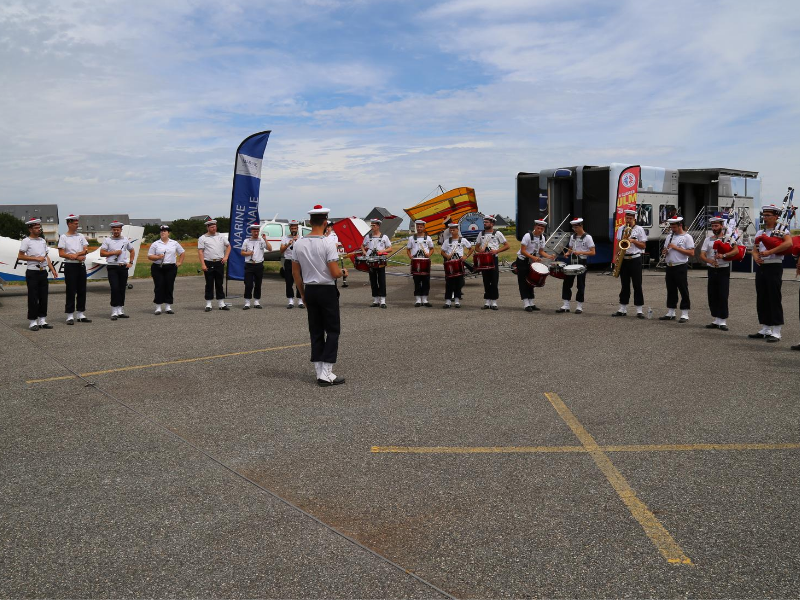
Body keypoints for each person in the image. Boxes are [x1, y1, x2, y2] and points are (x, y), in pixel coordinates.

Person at [292, 204, 347, 386]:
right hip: (326, 290)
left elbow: (295, 273)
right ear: (325, 223)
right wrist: (343, 272)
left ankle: (319, 371)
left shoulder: (298, 243)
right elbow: (334, 272)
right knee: (332, 330)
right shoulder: (327, 243)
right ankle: (327, 372)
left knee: (315, 330)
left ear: (309, 222)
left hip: (310, 289)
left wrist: (302, 294)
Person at [749, 205, 792, 343]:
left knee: (774, 297)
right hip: (761, 267)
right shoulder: (760, 232)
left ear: (776, 217)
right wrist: (756, 257)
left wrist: (770, 252)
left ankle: (777, 331)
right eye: (764, 215)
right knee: (762, 298)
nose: (765, 217)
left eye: (768, 215)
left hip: (774, 266)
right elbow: (755, 248)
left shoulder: (782, 230)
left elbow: (788, 244)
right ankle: (765, 328)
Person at [18, 218, 58, 330]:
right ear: (30, 229)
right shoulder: (26, 241)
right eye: (36, 228)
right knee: (33, 297)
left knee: (43, 297)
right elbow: (20, 256)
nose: (38, 229)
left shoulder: (42, 241)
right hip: (32, 272)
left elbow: (46, 257)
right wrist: (35, 259)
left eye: (39, 227)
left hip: (43, 272)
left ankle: (42, 320)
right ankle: (32, 321)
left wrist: (52, 269)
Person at [612, 209, 648, 318]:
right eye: (627, 218)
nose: (628, 220)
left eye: (630, 218)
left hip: (635, 258)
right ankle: (622, 309)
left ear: (634, 219)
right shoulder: (621, 229)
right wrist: (616, 257)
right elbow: (619, 244)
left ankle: (639, 310)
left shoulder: (639, 229)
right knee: (624, 285)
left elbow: (643, 246)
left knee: (637, 284)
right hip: (624, 258)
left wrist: (633, 241)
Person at [699, 216, 733, 330]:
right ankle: (716, 319)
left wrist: (723, 255)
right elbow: (702, 254)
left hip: (723, 268)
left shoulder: (728, 238)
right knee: (712, 294)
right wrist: (709, 261)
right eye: (713, 226)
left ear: (721, 226)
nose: (714, 228)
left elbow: (736, 250)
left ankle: (723, 320)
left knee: (723, 294)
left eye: (716, 225)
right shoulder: (708, 239)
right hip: (712, 269)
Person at [658, 216, 695, 323]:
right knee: (671, 289)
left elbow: (691, 253)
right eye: (671, 227)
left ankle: (684, 313)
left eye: (674, 227)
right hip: (670, 266)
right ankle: (671, 312)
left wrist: (676, 248)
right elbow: (666, 249)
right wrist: (665, 251)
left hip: (680, 266)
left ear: (680, 225)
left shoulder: (687, 237)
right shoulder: (669, 236)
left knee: (683, 289)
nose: (672, 229)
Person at [57, 214, 91, 324]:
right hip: (70, 265)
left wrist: (78, 254)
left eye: (77, 223)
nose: (77, 225)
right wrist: (72, 256)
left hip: (80, 265)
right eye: (75, 224)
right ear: (69, 224)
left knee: (82, 289)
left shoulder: (80, 236)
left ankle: (81, 313)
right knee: (71, 290)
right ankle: (70, 315)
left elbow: (86, 249)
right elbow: (61, 253)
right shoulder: (63, 237)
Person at [557, 217, 595, 314]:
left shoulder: (588, 237)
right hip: (572, 261)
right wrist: (567, 253)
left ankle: (579, 306)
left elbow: (593, 252)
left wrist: (581, 252)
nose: (574, 229)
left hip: (582, 261)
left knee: (580, 284)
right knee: (567, 283)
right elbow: (570, 249)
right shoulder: (572, 237)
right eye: (573, 228)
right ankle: (566, 305)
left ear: (581, 226)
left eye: (576, 227)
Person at [516, 219, 555, 312]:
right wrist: (532, 257)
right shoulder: (527, 236)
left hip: (531, 261)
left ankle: (531, 302)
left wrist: (549, 256)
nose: (540, 230)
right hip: (522, 260)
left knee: (531, 281)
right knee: (523, 282)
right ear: (534, 227)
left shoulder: (542, 238)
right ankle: (526, 303)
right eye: (538, 228)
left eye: (542, 229)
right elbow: (523, 251)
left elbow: (541, 251)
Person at [100, 221, 135, 320]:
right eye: (114, 229)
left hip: (123, 267)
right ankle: (114, 311)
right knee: (114, 288)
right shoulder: (107, 240)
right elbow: (102, 253)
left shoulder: (125, 240)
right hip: (112, 267)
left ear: (121, 230)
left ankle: (120, 310)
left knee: (122, 289)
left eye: (118, 230)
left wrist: (131, 262)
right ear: (112, 230)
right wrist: (113, 252)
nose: (116, 231)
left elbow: (132, 250)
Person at [147, 224, 185, 314]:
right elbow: (149, 256)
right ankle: (158, 307)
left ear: (168, 233)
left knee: (169, 285)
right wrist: (157, 257)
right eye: (161, 231)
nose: (162, 233)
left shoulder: (174, 243)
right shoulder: (155, 244)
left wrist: (179, 262)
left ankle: (168, 306)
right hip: (158, 267)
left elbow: (182, 252)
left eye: (164, 231)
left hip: (170, 267)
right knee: (159, 286)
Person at [474, 215, 509, 310]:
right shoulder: (481, 234)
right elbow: (476, 247)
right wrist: (480, 250)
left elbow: (507, 245)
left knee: (494, 280)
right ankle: (487, 301)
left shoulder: (497, 233)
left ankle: (494, 302)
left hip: (493, 259)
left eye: (486, 222)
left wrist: (496, 251)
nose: (484, 224)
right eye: (484, 222)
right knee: (486, 280)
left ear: (492, 224)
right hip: (484, 259)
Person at [197, 218, 231, 312]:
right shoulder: (203, 238)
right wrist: (203, 264)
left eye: (215, 226)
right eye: (212, 227)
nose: (214, 228)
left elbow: (228, 246)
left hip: (219, 262)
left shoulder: (221, 236)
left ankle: (221, 303)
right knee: (209, 283)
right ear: (207, 227)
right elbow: (200, 252)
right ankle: (208, 304)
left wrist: (226, 257)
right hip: (208, 262)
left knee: (219, 283)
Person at [441, 222, 473, 308]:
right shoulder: (447, 241)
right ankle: (448, 301)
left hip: (459, 263)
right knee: (449, 282)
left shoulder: (463, 240)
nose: (452, 231)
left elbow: (471, 249)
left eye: (453, 229)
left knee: (459, 282)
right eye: (450, 229)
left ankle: (457, 300)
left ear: (457, 230)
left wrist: (466, 256)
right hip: (450, 264)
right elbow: (442, 251)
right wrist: (447, 256)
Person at [240, 222, 271, 309]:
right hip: (249, 265)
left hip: (259, 265)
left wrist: (265, 239)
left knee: (258, 284)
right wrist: (248, 253)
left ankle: (257, 301)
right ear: (251, 231)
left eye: (257, 231)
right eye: (254, 231)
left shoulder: (261, 240)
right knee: (248, 284)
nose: (256, 233)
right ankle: (247, 302)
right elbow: (242, 252)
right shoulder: (246, 241)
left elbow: (270, 248)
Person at [362, 219, 392, 308]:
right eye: (371, 225)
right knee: (373, 280)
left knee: (381, 280)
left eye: (374, 225)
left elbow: (390, 248)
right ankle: (375, 299)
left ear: (378, 226)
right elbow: (362, 245)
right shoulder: (368, 237)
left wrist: (382, 251)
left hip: (380, 260)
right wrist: (364, 252)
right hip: (371, 260)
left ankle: (382, 301)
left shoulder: (384, 237)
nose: (372, 227)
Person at [406, 219, 435, 307]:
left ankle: (425, 299)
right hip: (416, 261)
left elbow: (432, 248)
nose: (419, 228)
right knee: (417, 281)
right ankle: (418, 300)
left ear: (424, 227)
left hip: (425, 261)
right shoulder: (411, 238)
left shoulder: (428, 238)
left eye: (421, 227)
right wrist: (410, 256)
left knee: (426, 281)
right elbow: (408, 249)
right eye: (418, 227)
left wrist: (428, 254)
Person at [280, 220, 304, 309]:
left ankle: (300, 300)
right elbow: (281, 250)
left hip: (298, 261)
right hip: (289, 261)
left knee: (300, 281)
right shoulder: (285, 238)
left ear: (297, 228)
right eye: (292, 228)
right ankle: (290, 300)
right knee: (289, 281)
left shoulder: (301, 238)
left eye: (295, 228)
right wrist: (288, 244)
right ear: (289, 228)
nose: (293, 229)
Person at [325, 220, 348, 288]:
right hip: (324, 257)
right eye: (326, 227)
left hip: (332, 257)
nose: (327, 228)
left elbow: (335, 246)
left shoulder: (334, 236)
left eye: (329, 227)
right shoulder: (322, 235)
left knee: (333, 273)